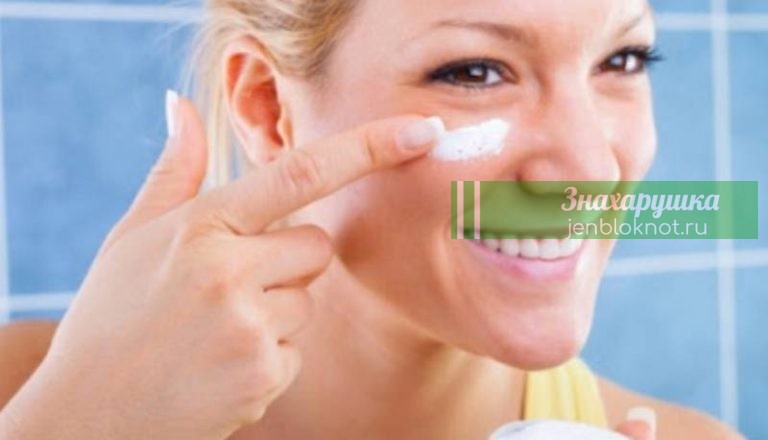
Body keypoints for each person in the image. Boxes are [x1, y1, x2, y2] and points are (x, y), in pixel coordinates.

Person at [0, 0, 744, 438]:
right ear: (268, 107)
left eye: (622, 61)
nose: (590, 167)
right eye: (475, 72)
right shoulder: (30, 400)